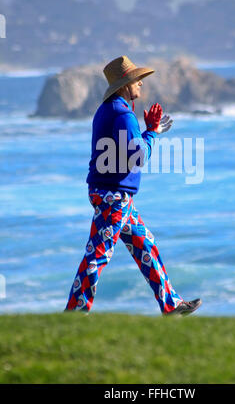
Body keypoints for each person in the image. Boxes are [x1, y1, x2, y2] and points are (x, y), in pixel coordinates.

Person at [65, 56, 201, 315]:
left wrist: (148, 131)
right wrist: (152, 132)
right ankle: (74, 312)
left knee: (145, 245)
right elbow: (138, 156)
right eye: (137, 79)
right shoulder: (123, 114)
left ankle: (171, 304)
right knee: (98, 255)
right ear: (125, 84)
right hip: (113, 197)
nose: (140, 83)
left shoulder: (107, 109)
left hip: (112, 194)